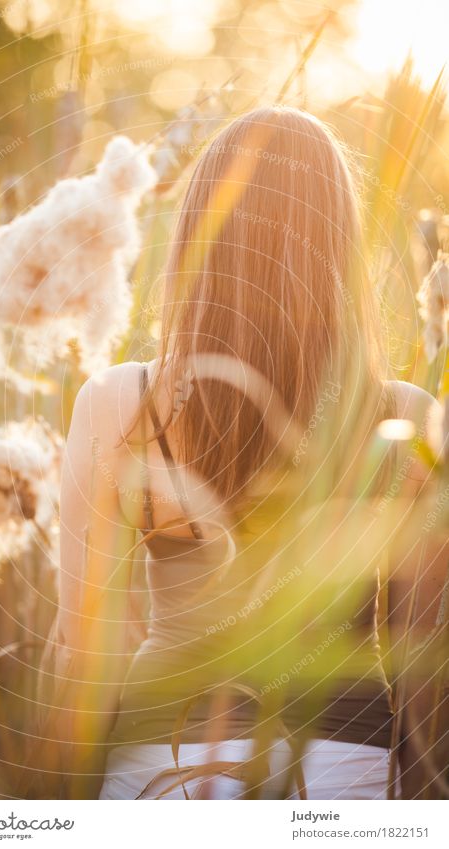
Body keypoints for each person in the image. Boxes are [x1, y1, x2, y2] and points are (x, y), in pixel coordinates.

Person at [55, 107, 445, 800]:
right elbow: (424, 667)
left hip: (158, 767)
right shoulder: (407, 419)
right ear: (336, 244)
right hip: (338, 769)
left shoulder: (121, 403)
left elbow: (87, 656)